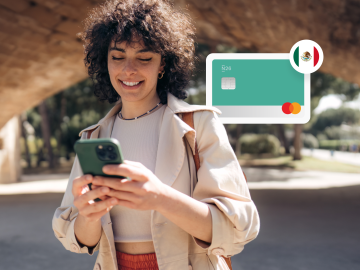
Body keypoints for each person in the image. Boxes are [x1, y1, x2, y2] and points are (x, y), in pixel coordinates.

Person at [52, 0, 260, 270]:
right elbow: (78, 240)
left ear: (163, 64)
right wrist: (90, 217)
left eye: (145, 58)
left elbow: (240, 228)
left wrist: (160, 197)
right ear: (105, 61)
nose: (129, 69)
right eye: (117, 57)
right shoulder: (93, 138)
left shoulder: (201, 124)